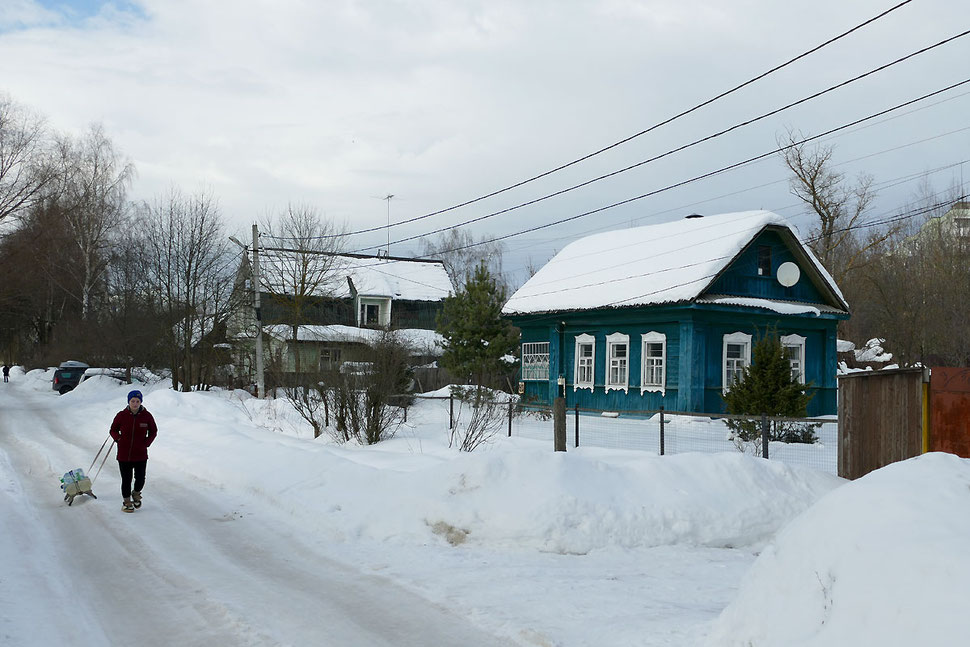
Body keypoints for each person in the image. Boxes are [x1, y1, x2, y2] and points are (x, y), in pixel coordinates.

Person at [109, 390, 158, 513]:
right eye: (132, 401)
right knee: (126, 479)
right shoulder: (121, 415)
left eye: (137, 401)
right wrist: (118, 438)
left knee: (140, 478)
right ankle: (127, 502)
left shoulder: (147, 416)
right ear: (128, 401)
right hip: (124, 455)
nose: (135, 403)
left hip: (140, 454)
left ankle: (136, 493)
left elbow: (153, 431)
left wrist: (147, 443)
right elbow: (113, 430)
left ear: (141, 402)